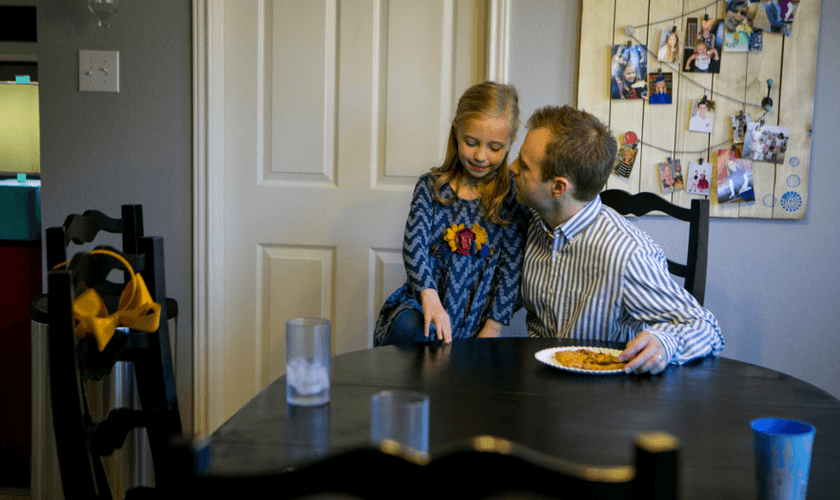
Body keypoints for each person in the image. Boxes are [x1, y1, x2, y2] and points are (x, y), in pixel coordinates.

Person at [508, 105, 723, 375]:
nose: (511, 167)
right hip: (539, 378)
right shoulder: (530, 221)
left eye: (523, 165)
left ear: (559, 187)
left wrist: (665, 343)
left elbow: (706, 327)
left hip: (606, 390)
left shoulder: (627, 254)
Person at [373, 82, 527, 346]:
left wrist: (493, 327)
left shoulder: (511, 195)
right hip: (425, 307)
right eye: (471, 142)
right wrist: (428, 296)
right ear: (456, 133)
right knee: (407, 327)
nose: (481, 156)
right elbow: (414, 247)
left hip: (477, 318)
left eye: (494, 148)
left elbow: (511, 268)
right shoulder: (430, 187)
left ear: (510, 143)